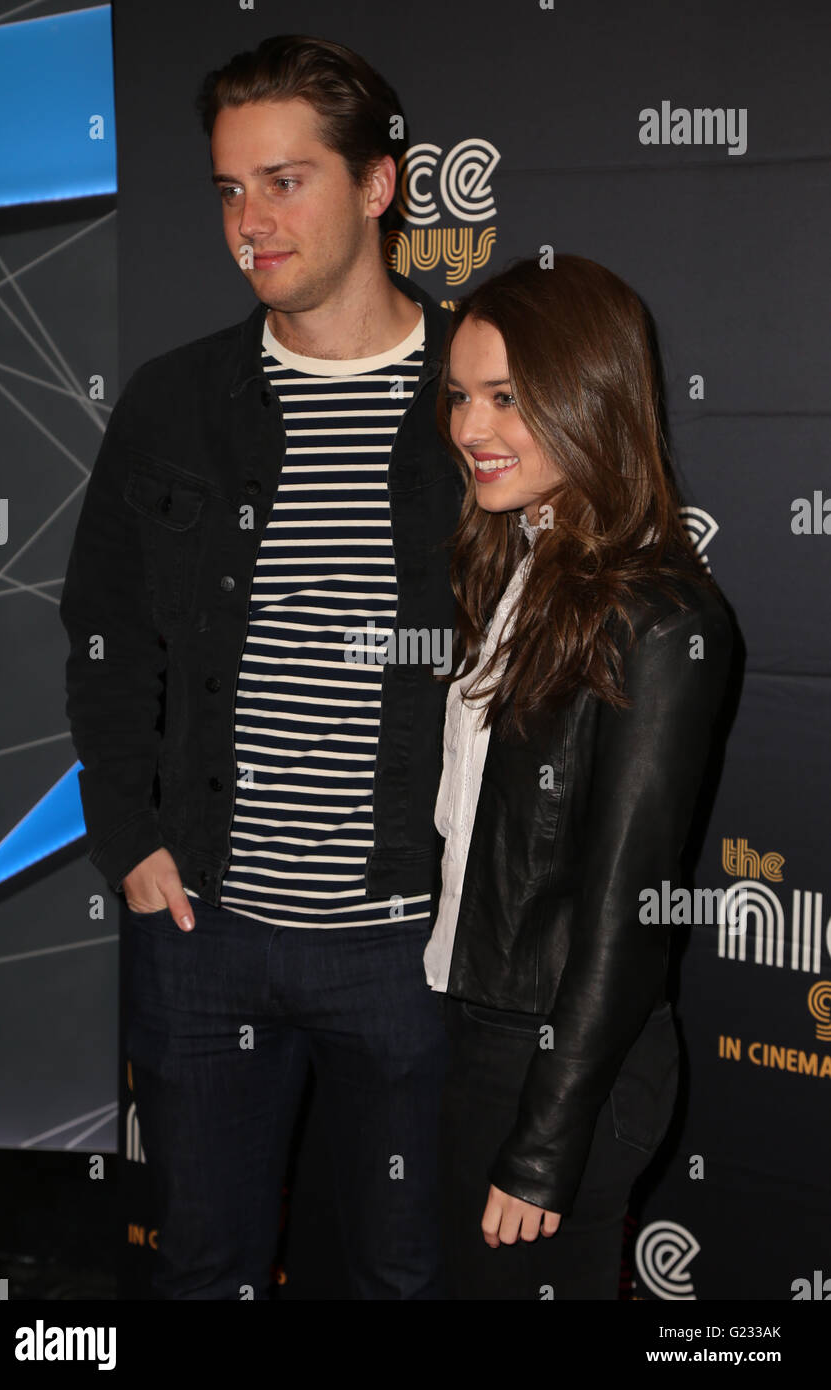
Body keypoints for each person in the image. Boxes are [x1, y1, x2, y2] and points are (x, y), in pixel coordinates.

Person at [59, 35, 463, 1299]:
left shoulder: (485, 398)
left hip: (410, 942)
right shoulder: (175, 401)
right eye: (230, 189)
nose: (250, 221)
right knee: (203, 1269)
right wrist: (129, 836)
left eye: (285, 181)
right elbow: (104, 632)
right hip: (205, 928)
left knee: (405, 1273)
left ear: (380, 186)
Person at [423, 254, 734, 1299]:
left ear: (589, 395)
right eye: (461, 395)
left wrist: (545, 1141)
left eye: (507, 398)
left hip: (559, 1063)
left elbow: (627, 911)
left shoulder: (661, 618)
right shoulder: (514, 565)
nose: (470, 428)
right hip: (474, 1025)